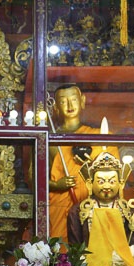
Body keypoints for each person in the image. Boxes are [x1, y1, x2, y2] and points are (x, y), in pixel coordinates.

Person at [48, 84, 96, 243]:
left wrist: (92, 166)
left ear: (82, 101)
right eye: (63, 102)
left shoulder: (98, 136)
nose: (69, 106)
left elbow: (113, 175)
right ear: (55, 107)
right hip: (59, 205)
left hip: (89, 204)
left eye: (74, 100)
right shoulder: (50, 139)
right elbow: (35, 177)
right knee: (60, 249)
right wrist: (57, 185)